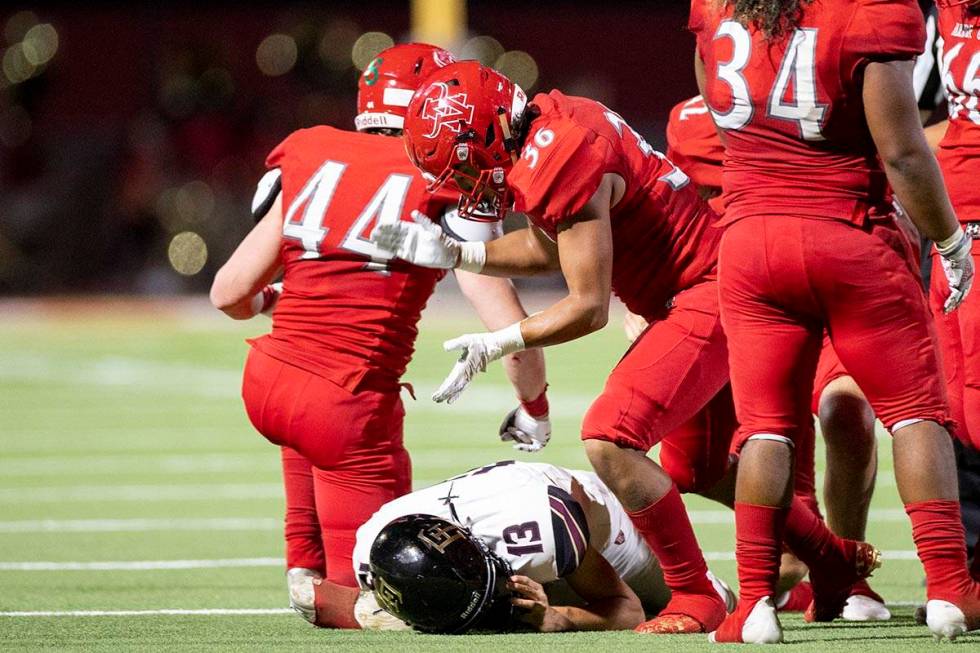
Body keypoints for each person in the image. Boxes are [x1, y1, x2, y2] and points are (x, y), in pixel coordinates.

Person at [372, 60, 877, 635]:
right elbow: (553, 248)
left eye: (461, 168)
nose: (464, 186)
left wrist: (500, 340)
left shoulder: (560, 155)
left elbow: (587, 307)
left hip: (707, 291)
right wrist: (459, 254)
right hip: (698, 287)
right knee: (698, 466)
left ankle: (695, 594)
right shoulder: (549, 127)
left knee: (610, 436)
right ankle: (832, 561)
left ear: (485, 134)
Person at [208, 43, 550, 613]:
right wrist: (534, 404)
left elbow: (228, 292)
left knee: (304, 427)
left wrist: (279, 301)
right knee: (385, 598)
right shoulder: (444, 173)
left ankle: (304, 568)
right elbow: (507, 326)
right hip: (343, 403)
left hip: (267, 378)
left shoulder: (311, 149)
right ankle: (334, 599)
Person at [690, 0, 978, 643]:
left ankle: (756, 604)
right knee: (914, 412)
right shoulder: (871, 9)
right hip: (847, 232)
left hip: (750, 238)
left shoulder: (717, 7)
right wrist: (951, 241)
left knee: (765, 428)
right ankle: (949, 588)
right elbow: (902, 150)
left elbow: (718, 109)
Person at [649, 94, 893, 621]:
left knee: (846, 412)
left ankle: (849, 579)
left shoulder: (827, 94)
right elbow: (672, 205)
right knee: (697, 465)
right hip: (736, 291)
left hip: (824, 268)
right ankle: (821, 560)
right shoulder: (688, 117)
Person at [298, 460, 735, 633]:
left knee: (715, 603)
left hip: (604, 531)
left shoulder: (542, 536)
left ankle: (789, 585)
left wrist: (559, 617)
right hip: (532, 528)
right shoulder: (375, 543)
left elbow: (625, 610)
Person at [931, 0, 980, 578]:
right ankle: (966, 567)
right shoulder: (942, 13)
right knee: (955, 407)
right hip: (954, 228)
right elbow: (955, 120)